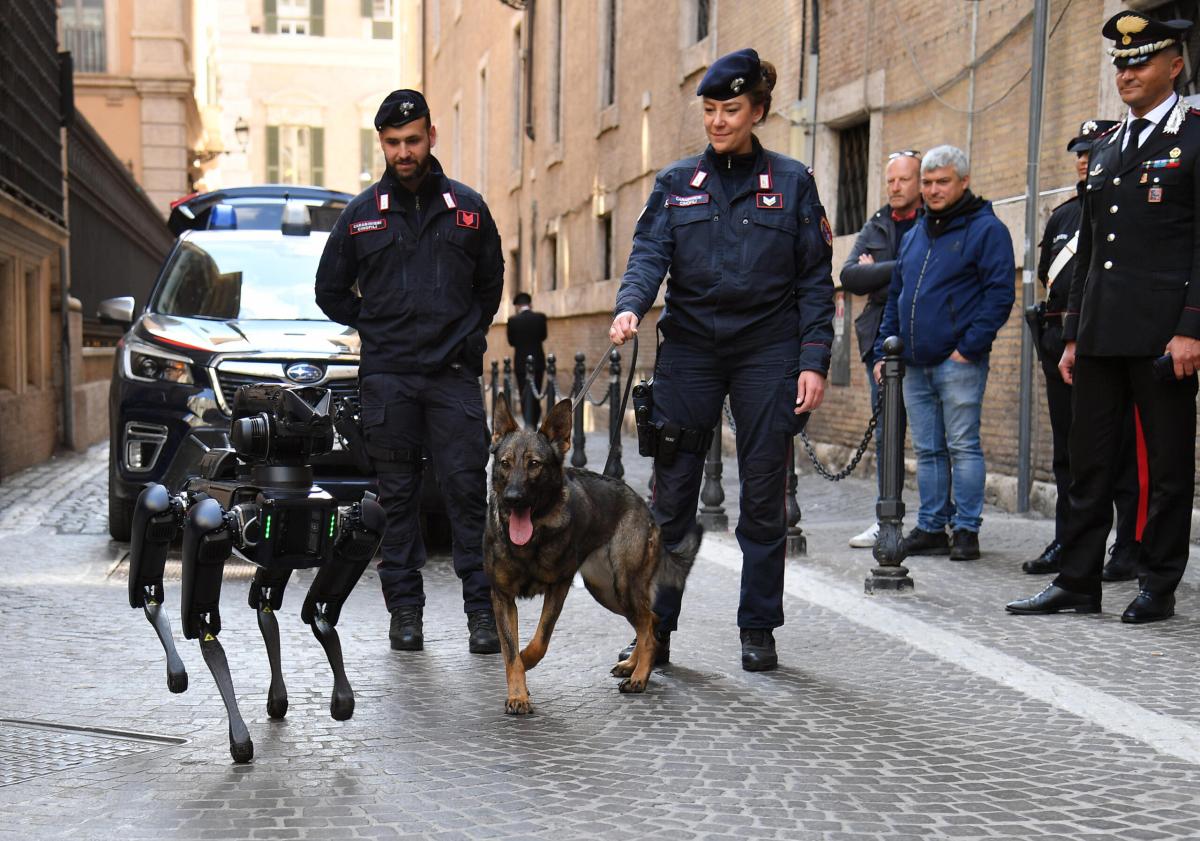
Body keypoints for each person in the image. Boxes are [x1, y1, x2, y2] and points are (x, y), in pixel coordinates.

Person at [610, 48, 834, 672]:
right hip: (690, 352)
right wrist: (631, 306)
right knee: (672, 500)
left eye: (730, 109)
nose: (716, 121)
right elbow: (648, 254)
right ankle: (656, 631)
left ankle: (758, 627)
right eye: (709, 109)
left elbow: (817, 281)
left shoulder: (793, 183)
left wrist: (813, 359)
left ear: (757, 111)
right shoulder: (677, 184)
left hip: (767, 352)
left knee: (764, 497)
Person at [1007, 12, 1200, 623]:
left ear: (1175, 64)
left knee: (1167, 467)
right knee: (1088, 462)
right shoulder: (1111, 143)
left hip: (1164, 333)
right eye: (1120, 63)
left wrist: (1192, 326)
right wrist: (1071, 336)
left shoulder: (1195, 135)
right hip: (1099, 333)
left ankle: (1158, 582)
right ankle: (1078, 580)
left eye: (1140, 60)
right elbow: (1091, 248)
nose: (1127, 73)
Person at [315, 89, 504, 653]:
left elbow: (490, 285)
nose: (404, 151)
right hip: (389, 379)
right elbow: (329, 290)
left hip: (451, 377)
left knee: (468, 493)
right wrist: (374, 325)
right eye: (394, 143)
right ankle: (405, 615)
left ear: (431, 137)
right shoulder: (361, 216)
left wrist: (467, 338)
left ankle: (482, 614)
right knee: (396, 499)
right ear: (382, 144)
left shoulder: (469, 210)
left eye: (413, 140)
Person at [872, 145, 1015, 561]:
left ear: (964, 182)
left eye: (943, 182)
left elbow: (999, 294)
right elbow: (897, 295)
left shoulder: (986, 230)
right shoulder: (916, 234)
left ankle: (967, 530)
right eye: (928, 183)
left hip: (958, 363)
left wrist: (968, 348)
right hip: (914, 365)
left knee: (962, 445)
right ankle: (933, 525)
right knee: (928, 450)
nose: (933, 190)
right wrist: (887, 350)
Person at [1023, 119, 1146, 579]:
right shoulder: (1062, 216)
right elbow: (1048, 278)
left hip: (1111, 341)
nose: (1083, 158)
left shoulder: (1123, 208)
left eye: (1091, 150)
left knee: (1119, 454)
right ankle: (1068, 539)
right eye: (1079, 151)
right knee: (1068, 453)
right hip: (1062, 340)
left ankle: (1129, 545)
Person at [840, 149, 950, 549]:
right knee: (889, 434)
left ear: (919, 182)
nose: (896, 187)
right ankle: (887, 517)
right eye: (890, 181)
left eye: (904, 180)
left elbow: (936, 272)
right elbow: (850, 275)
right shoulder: (877, 223)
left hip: (925, 338)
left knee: (934, 436)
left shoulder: (933, 220)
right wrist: (902, 265)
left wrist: (881, 269)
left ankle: (939, 519)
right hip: (879, 344)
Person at [506, 292, 547, 427]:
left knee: (524, 394)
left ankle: (528, 423)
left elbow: (511, 342)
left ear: (517, 306)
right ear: (530, 304)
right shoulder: (540, 318)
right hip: (538, 363)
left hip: (521, 364)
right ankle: (534, 420)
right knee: (536, 392)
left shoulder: (512, 321)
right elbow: (543, 336)